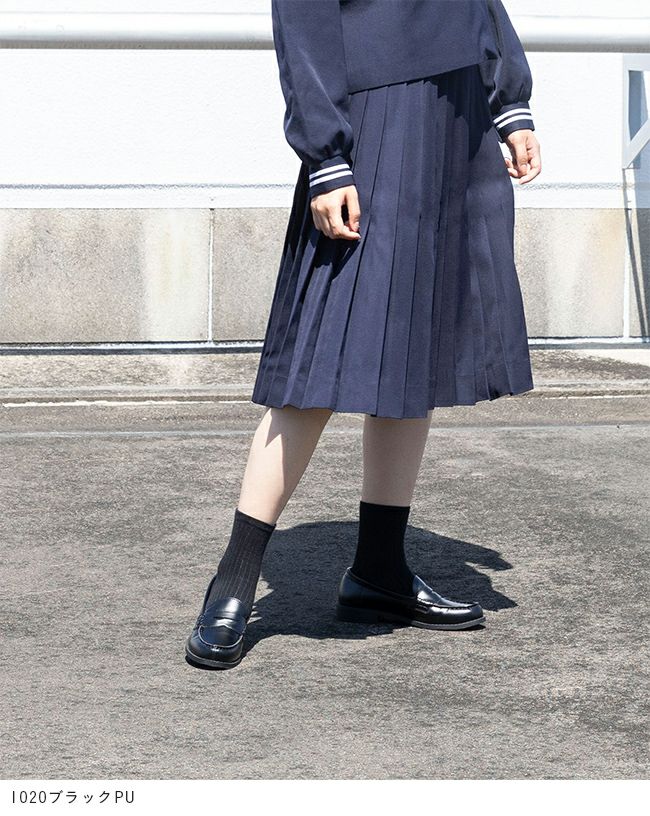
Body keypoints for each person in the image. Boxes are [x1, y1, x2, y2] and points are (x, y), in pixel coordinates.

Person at [185, 0, 542, 669]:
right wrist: (326, 156)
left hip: (457, 109)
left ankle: (380, 569)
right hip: (373, 117)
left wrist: (509, 99)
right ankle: (234, 581)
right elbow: (304, 16)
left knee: (416, 345)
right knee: (321, 351)